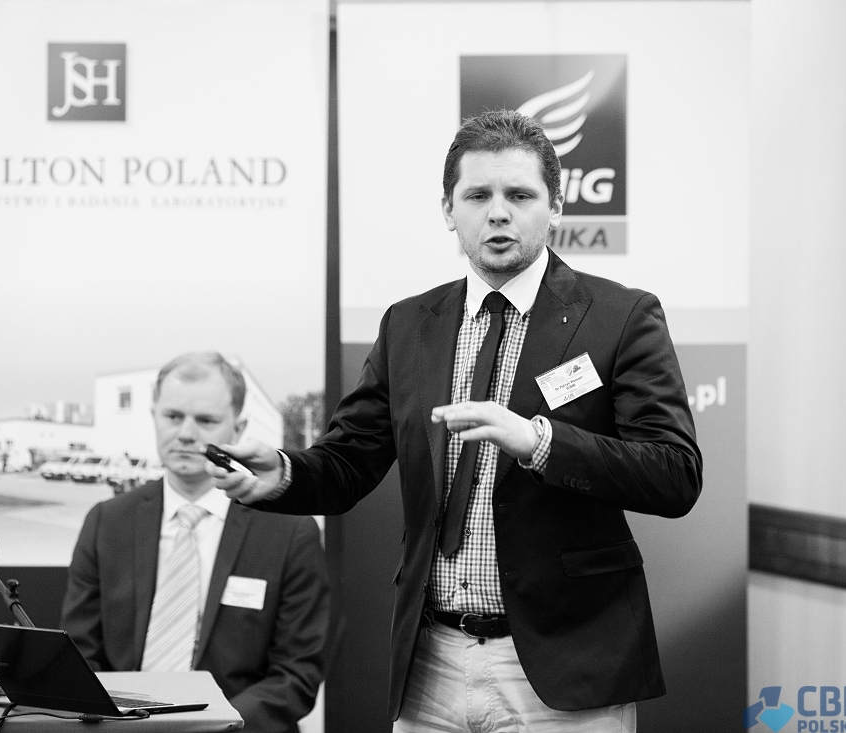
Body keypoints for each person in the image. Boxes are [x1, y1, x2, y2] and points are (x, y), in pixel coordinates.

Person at [209, 110, 702, 731]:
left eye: (520, 195)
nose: (498, 213)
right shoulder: (409, 325)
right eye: (477, 196)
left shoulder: (620, 317)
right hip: (431, 667)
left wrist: (539, 442)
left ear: (555, 207)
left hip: (565, 667)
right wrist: (283, 474)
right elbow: (348, 461)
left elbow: (674, 474)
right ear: (449, 210)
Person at [62, 352, 330, 733]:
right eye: (173, 416)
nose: (186, 433)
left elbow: (296, 674)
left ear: (238, 429)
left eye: (205, 420)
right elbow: (79, 657)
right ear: (154, 416)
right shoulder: (107, 522)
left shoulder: (290, 532)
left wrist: (212, 726)